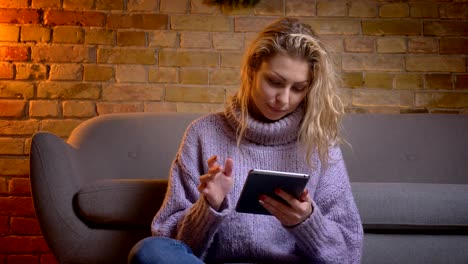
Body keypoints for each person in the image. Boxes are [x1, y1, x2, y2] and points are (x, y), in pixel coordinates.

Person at [128, 17, 363, 263]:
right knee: (149, 251)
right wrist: (208, 207)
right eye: (274, 82)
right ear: (252, 71)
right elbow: (168, 241)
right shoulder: (203, 133)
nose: (284, 99)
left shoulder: (319, 144)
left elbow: (349, 253)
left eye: (298, 88)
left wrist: (306, 222)